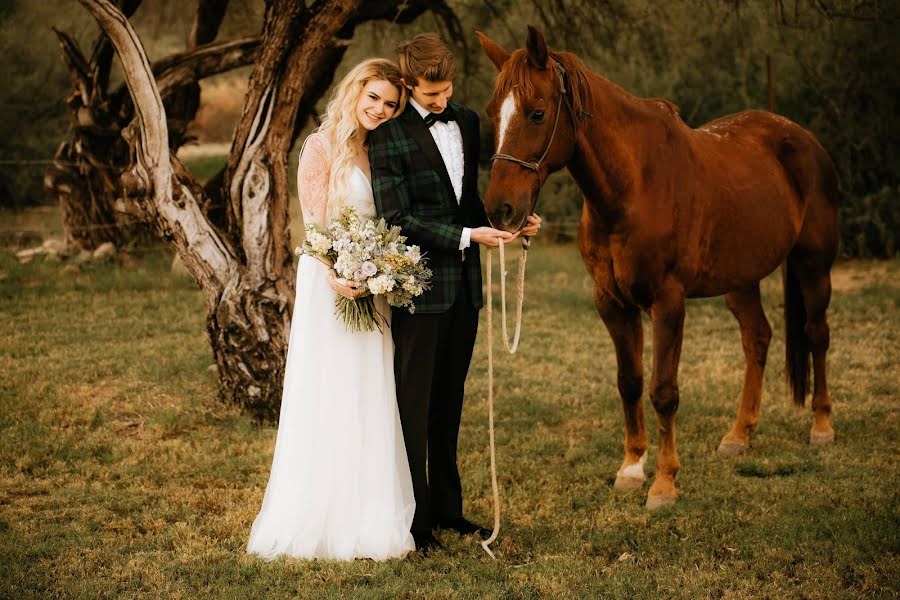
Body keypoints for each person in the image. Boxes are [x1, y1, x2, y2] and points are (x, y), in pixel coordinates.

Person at [368, 33, 541, 553]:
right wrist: (467, 238)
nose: (441, 102)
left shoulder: (465, 121)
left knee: (449, 402)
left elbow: (466, 202)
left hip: (465, 289)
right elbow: (397, 219)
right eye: (429, 94)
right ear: (406, 83)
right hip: (419, 290)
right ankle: (415, 522)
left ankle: (448, 509)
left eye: (446, 91)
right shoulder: (388, 138)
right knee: (414, 407)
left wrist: (508, 228)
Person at [246, 58, 416, 561]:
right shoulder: (320, 148)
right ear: (354, 92)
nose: (381, 110)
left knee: (372, 390)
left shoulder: (381, 148)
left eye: (390, 104)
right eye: (375, 99)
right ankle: (320, 513)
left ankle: (369, 510)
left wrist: (381, 268)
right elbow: (315, 224)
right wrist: (337, 275)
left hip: (373, 286)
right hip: (330, 282)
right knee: (332, 390)